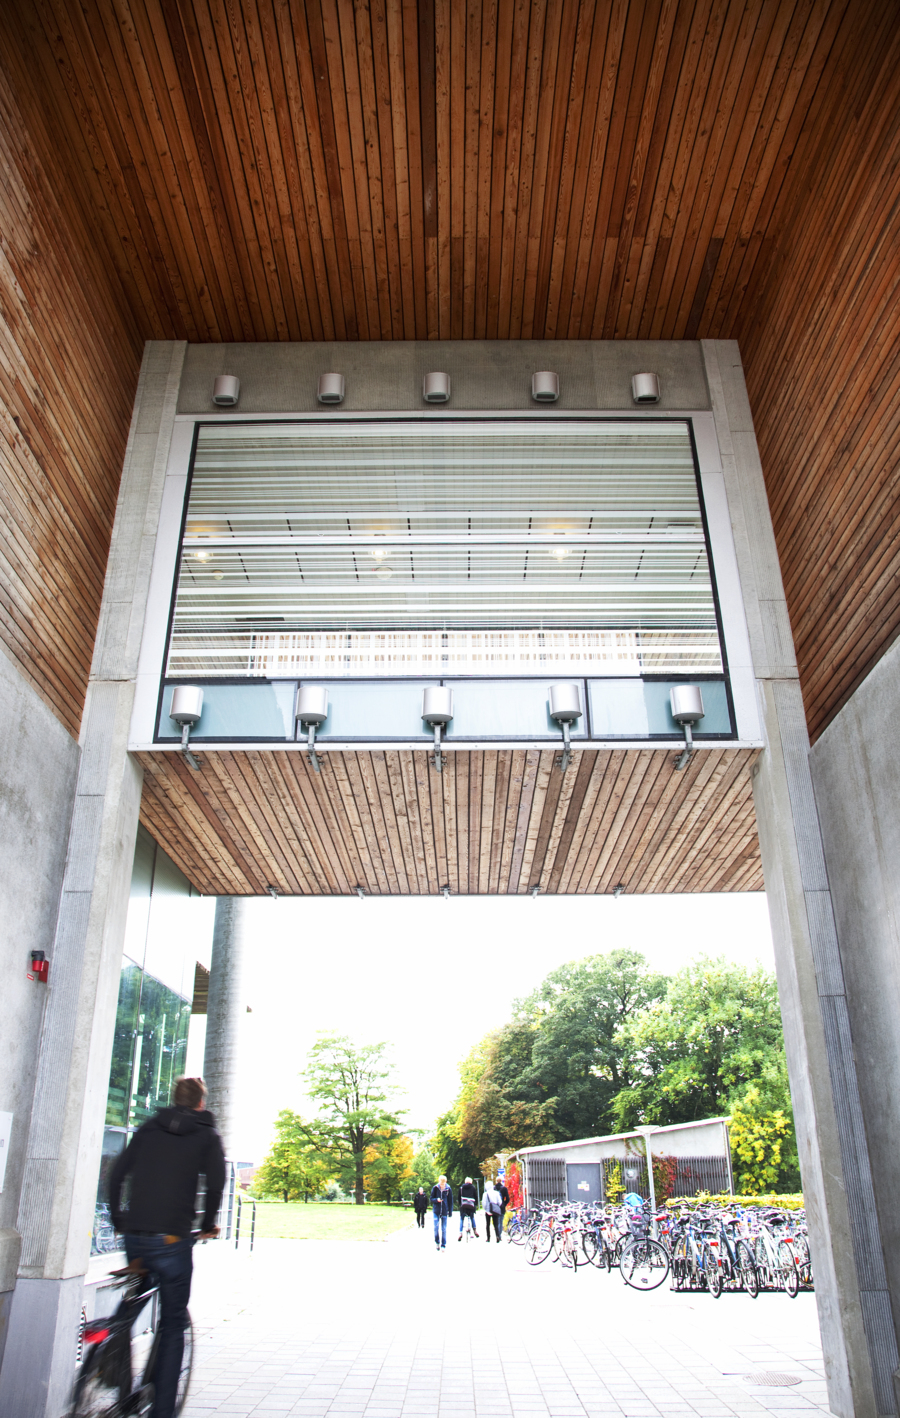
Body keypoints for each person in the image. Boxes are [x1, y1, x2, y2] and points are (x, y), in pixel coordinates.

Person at [109, 1076, 225, 1418]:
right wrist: (207, 1224)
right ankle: (161, 1413)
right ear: (200, 1103)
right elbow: (217, 1184)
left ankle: (111, 1359)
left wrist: (120, 1218)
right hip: (173, 1240)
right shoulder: (207, 1134)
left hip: (136, 1237)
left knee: (134, 1298)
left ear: (174, 1099)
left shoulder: (148, 1128)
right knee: (173, 1324)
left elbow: (117, 1174)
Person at [430, 1174, 453, 1250]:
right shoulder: (435, 1188)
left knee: (443, 1228)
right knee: (436, 1227)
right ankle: (437, 1241)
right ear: (439, 1182)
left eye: (443, 1184)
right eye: (441, 1183)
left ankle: (443, 1244)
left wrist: (450, 1212)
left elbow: (450, 1201)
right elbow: (431, 1198)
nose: (442, 1185)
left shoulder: (448, 1188)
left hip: (444, 1211)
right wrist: (437, 1200)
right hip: (436, 1210)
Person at [483, 1178, 502, 1243]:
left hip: (488, 1211)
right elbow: (500, 1202)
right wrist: (496, 1206)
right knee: (496, 1224)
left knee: (487, 1224)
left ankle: (488, 1238)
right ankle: (497, 1236)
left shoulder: (485, 1194)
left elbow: (484, 1203)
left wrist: (485, 1208)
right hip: (495, 1210)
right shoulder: (496, 1193)